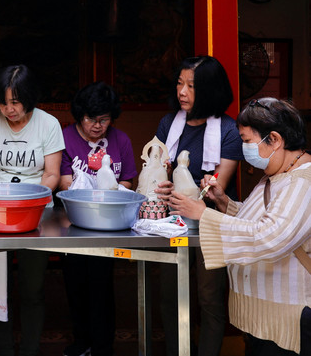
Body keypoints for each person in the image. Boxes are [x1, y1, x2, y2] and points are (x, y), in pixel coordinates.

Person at [167, 98, 311, 356]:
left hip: (287, 317)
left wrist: (203, 215)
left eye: (247, 141)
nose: (244, 149)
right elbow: (257, 220)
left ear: (275, 139)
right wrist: (223, 202)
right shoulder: (276, 174)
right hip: (264, 319)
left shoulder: (303, 182)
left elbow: (269, 237)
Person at [0, 64, 65, 356]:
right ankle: (5, 349)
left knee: (32, 287)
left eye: (16, 102)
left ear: (30, 97)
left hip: (36, 212)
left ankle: (30, 350)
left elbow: (52, 175)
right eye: (3, 102)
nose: (8, 109)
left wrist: (30, 200)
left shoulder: (48, 124)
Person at [155, 55, 243, 356]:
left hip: (210, 222)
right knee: (169, 295)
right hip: (173, 220)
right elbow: (159, 169)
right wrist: (163, 184)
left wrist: (204, 186)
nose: (182, 91)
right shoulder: (169, 123)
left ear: (210, 89)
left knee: (209, 298)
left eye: (191, 86)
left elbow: (218, 185)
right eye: (180, 83)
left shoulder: (229, 130)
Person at [58, 81, 138, 356]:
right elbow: (65, 183)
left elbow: (127, 181)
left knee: (102, 285)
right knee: (75, 284)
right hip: (73, 225)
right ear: (80, 115)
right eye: (91, 119)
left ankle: (104, 346)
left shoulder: (121, 140)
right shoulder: (65, 138)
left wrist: (109, 191)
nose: (97, 126)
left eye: (104, 120)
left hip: (109, 225)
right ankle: (81, 342)